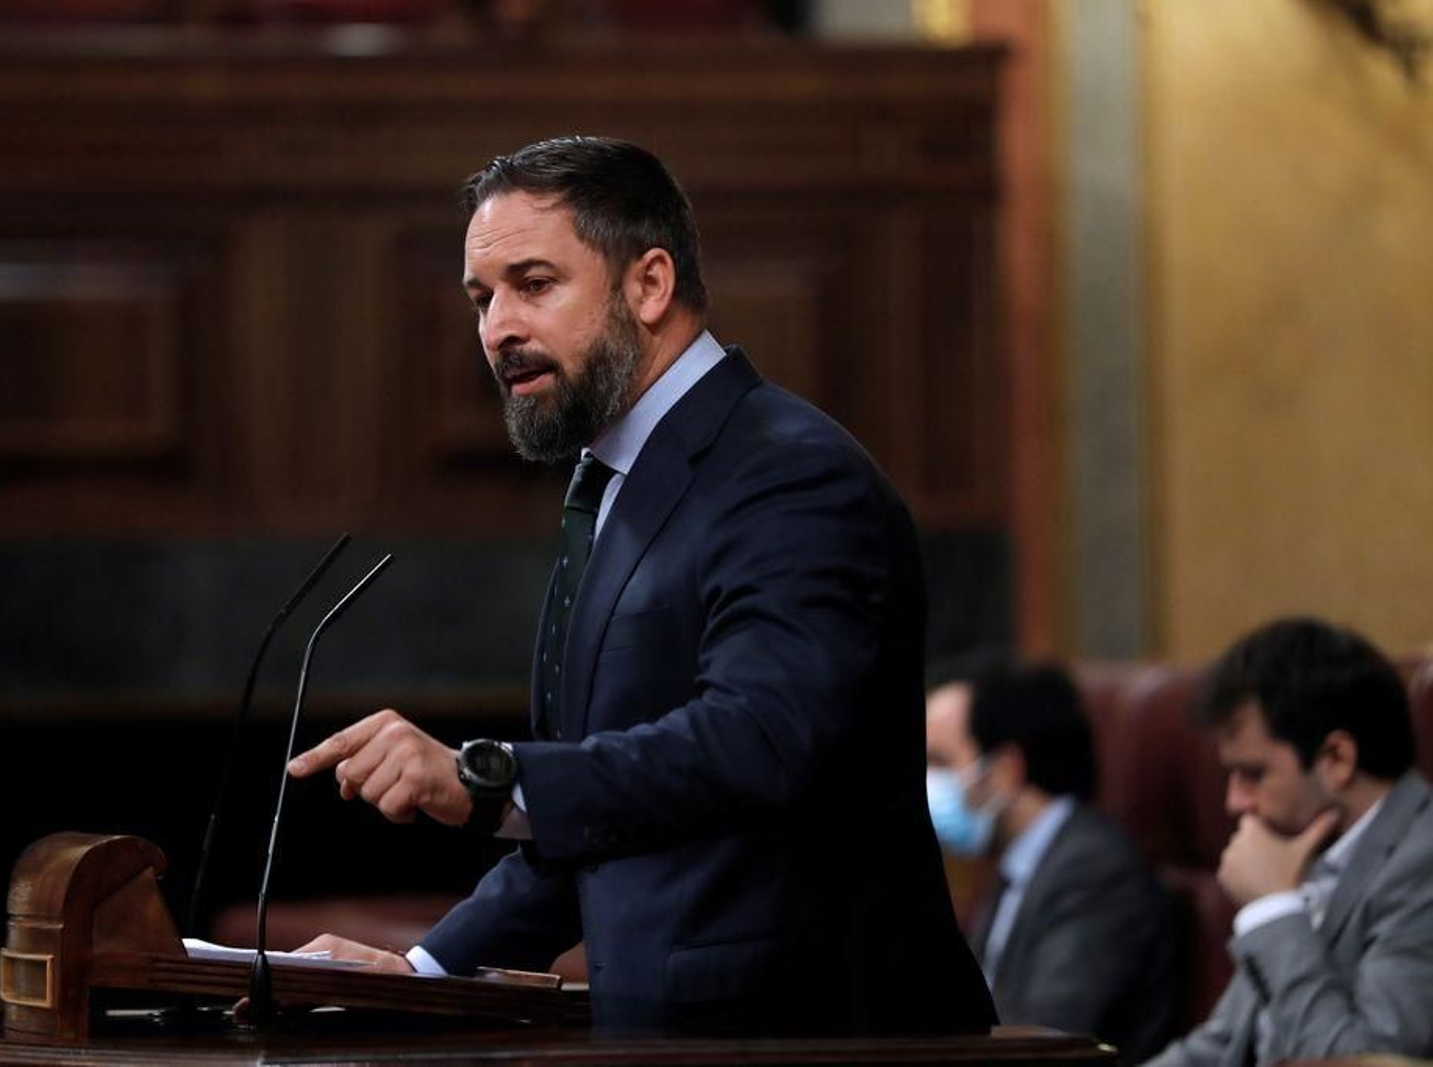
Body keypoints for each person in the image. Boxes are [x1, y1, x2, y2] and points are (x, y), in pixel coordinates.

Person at [281, 135, 996, 1036]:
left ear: (649, 284)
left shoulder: (788, 473)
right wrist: (423, 971)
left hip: (818, 1043)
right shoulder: (614, 486)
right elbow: (603, 816)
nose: (498, 329)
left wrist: (488, 779)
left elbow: (760, 740)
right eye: (482, 298)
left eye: (534, 284)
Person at [1147, 617, 1433, 1067]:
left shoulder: (1422, 863)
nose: (1234, 802)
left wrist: (1274, 909)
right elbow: (1220, 1047)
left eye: (1253, 773)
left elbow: (1365, 1061)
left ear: (1337, 758)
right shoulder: (1310, 848)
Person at [925, 658, 1176, 1063]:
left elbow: (1044, 1039)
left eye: (939, 761)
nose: (926, 782)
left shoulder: (1095, 873)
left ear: (1004, 771)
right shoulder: (1016, 864)